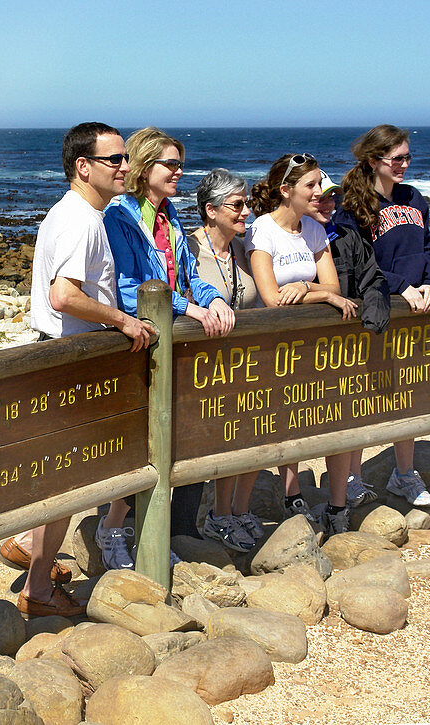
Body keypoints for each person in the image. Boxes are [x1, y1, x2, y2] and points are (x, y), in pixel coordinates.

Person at [5, 122, 154, 617]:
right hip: (70, 362)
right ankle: (39, 590)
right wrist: (124, 320)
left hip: (61, 356)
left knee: (62, 480)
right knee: (68, 481)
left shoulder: (78, 213)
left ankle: (31, 551)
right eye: (114, 159)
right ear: (82, 166)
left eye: (126, 158)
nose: (126, 168)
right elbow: (63, 295)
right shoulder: (82, 220)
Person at [98, 127, 235, 568]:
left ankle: (148, 534)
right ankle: (112, 527)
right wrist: (187, 308)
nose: (179, 171)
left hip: (170, 338)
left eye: (180, 163)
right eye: (170, 164)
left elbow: (189, 271)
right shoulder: (120, 216)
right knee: (139, 444)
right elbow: (129, 287)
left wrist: (210, 297)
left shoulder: (169, 214)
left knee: (168, 441)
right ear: (143, 167)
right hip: (141, 342)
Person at [246, 153, 359, 535]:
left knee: (336, 421)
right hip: (278, 346)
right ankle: (292, 496)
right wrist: (322, 295)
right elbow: (272, 296)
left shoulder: (312, 229)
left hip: (319, 343)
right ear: (286, 190)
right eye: (309, 185)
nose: (318, 193)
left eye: (318, 184)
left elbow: (334, 287)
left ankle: (337, 506)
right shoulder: (261, 230)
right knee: (287, 421)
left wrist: (310, 289)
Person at [335, 124, 430, 507]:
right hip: (378, 308)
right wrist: (399, 286)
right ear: (374, 160)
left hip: (415, 309)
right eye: (397, 159)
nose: (404, 165)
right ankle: (352, 478)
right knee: (363, 393)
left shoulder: (414, 198)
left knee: (405, 393)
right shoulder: (352, 205)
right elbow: (357, 263)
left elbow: (427, 247)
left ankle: (404, 474)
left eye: (408, 157)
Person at [186, 168, 263, 551]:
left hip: (243, 364)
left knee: (245, 438)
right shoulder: (188, 248)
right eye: (237, 205)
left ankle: (231, 513)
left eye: (246, 203)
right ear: (211, 210)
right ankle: (202, 522)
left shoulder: (241, 248)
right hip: (199, 369)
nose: (245, 211)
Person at [310, 169, 392, 507]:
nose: (330, 202)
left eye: (334, 196)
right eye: (321, 196)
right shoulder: (285, 238)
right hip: (300, 348)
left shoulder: (347, 235)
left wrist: (371, 318)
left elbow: (372, 279)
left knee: (347, 416)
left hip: (344, 347)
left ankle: (343, 492)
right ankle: (290, 495)